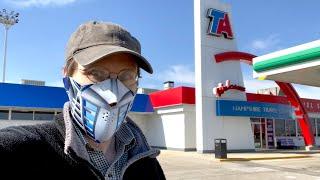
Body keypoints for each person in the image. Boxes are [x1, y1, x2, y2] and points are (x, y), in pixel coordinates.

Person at [0, 21, 166, 180]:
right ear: (66, 76)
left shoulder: (146, 161)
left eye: (127, 76)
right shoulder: (25, 153)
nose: (113, 95)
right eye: (96, 73)